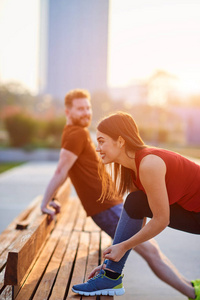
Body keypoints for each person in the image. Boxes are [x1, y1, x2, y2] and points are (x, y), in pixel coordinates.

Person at [39, 90, 198, 299]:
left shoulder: (149, 163)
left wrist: (122, 247)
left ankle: (189, 291)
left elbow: (161, 219)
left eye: (102, 141)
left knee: (138, 213)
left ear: (120, 141)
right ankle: (111, 277)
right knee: (135, 202)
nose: (98, 148)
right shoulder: (132, 171)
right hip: (192, 211)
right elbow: (136, 216)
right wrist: (110, 263)